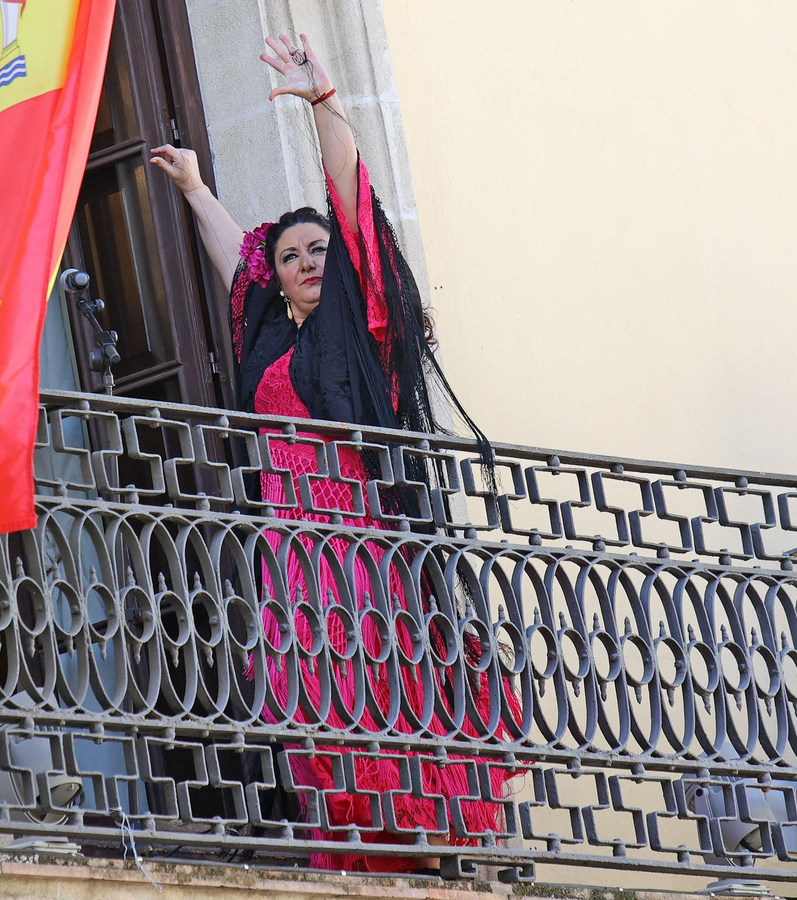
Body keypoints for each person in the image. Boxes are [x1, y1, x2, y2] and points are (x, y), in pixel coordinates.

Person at [150, 35, 521, 874]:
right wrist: (198, 189)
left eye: (318, 251)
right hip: (292, 545)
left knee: (375, 681)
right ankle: (354, 847)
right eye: (292, 256)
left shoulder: (365, 332)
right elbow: (233, 266)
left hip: (359, 534)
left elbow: (357, 213)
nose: (308, 261)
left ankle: (411, 843)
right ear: (275, 278)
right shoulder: (269, 339)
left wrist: (327, 107)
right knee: (315, 695)